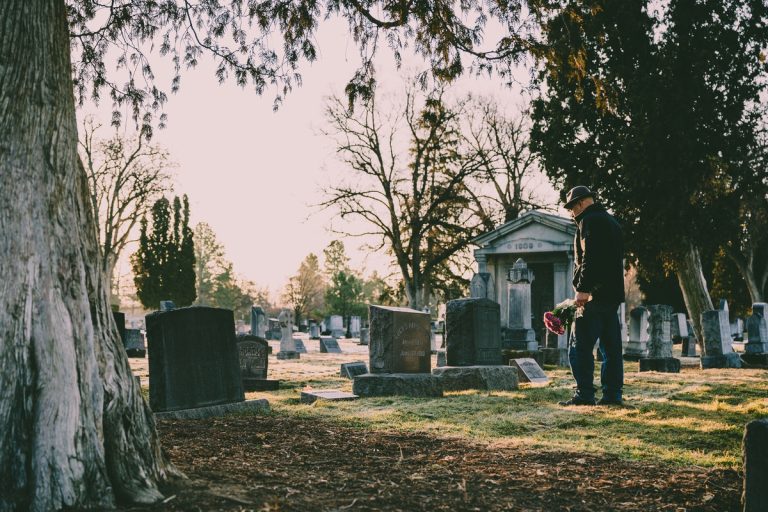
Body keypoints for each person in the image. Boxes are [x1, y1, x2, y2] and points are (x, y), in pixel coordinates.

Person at [559, 186, 625, 406]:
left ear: (579, 204)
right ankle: (612, 395)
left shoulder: (589, 222)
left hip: (593, 296)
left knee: (579, 347)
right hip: (612, 296)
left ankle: (584, 394)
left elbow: (590, 258)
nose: (571, 213)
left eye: (571, 208)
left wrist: (583, 289)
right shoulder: (612, 222)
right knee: (611, 349)